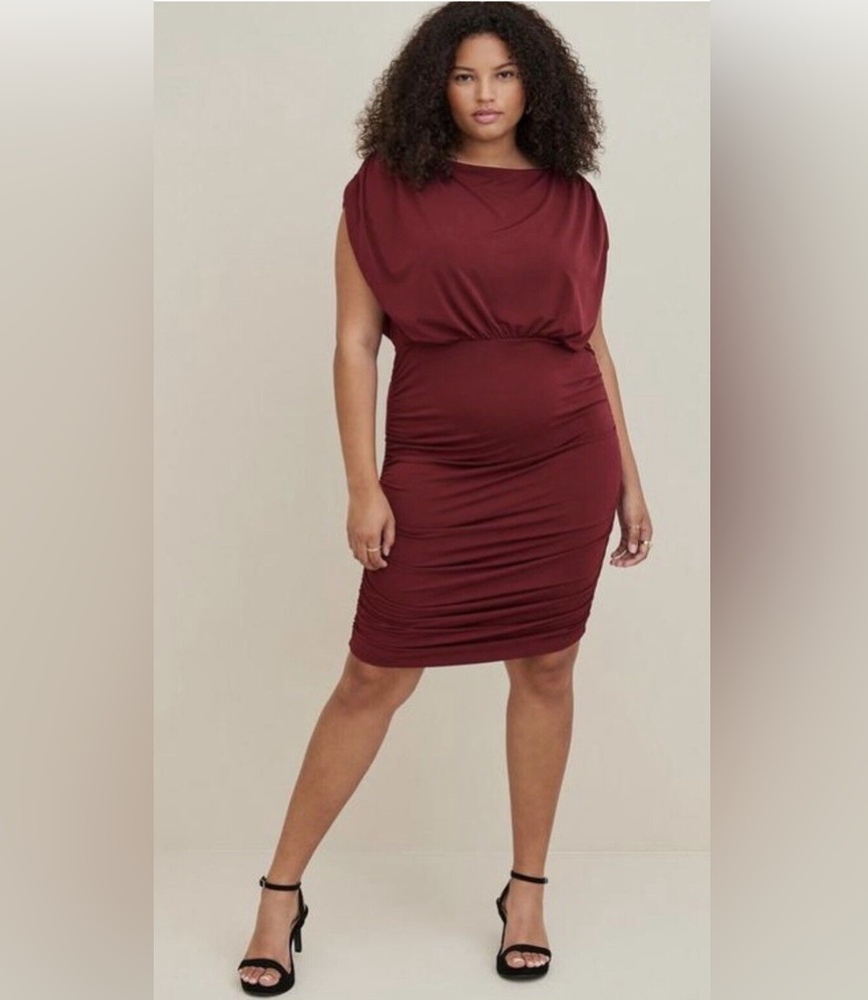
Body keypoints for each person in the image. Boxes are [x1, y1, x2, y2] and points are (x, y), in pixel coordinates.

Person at [237, 2, 652, 993]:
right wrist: (364, 484)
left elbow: (590, 341)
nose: (485, 94)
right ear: (435, 85)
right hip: (436, 468)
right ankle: (279, 894)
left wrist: (631, 479)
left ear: (535, 85)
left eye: (504, 74)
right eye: (465, 75)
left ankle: (527, 890)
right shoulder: (382, 192)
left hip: (567, 462)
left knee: (546, 666)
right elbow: (353, 345)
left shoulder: (572, 198)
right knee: (372, 677)